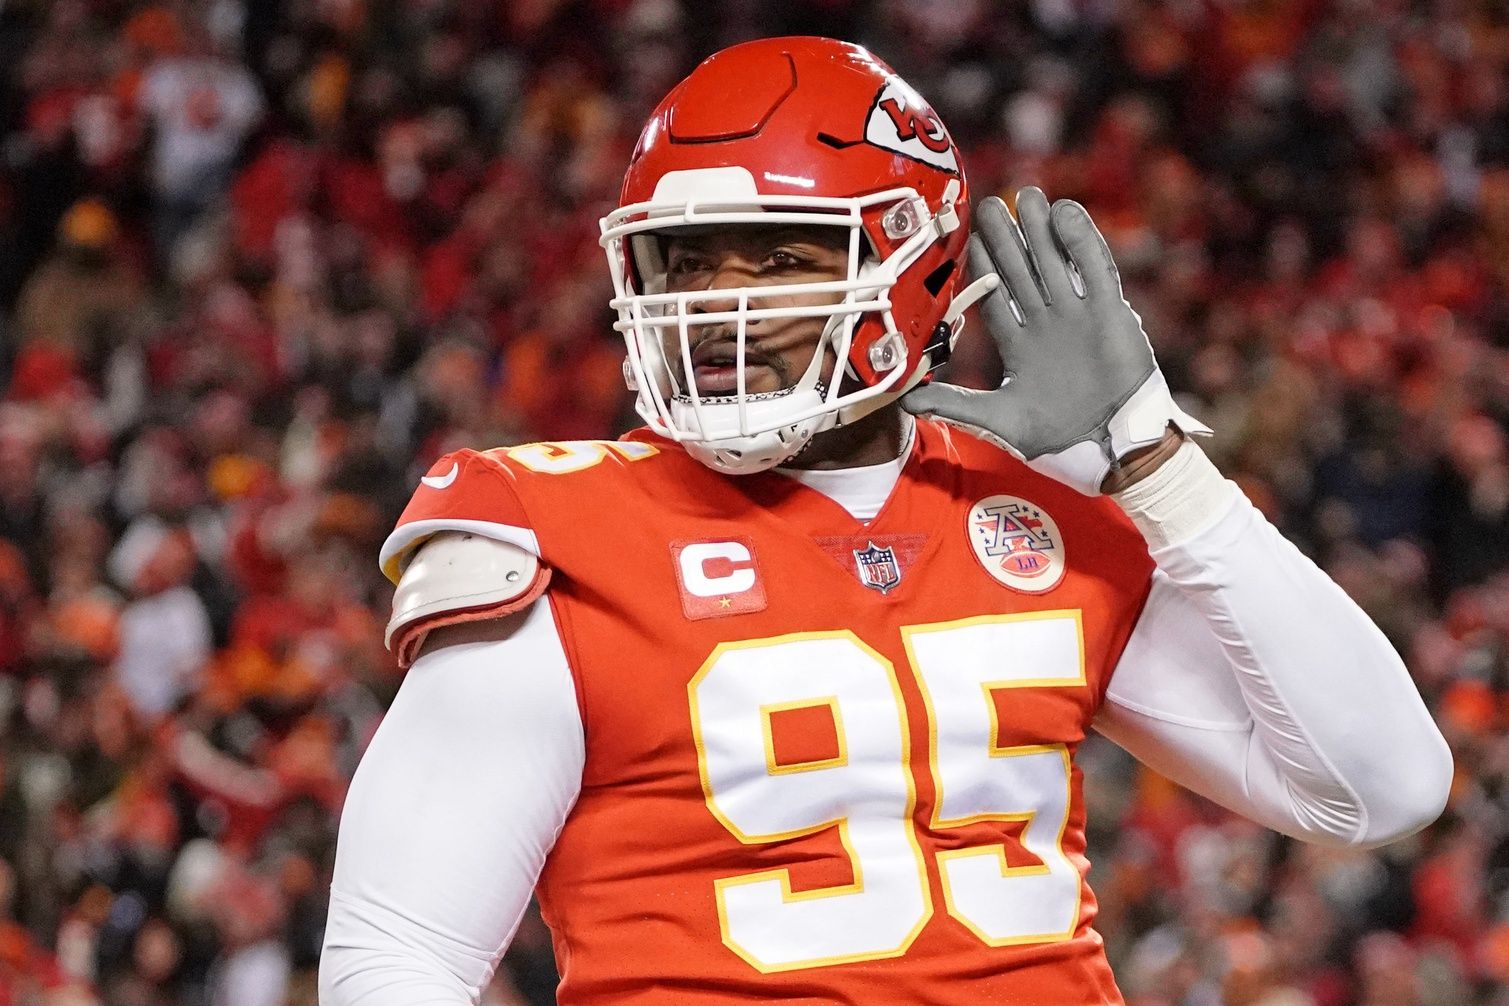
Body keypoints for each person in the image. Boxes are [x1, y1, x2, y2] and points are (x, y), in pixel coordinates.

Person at [318, 37, 1452, 1005]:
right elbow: (397, 954)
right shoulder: (554, 527)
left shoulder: (1041, 509)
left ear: (917, 265)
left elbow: (1377, 788)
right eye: (689, 261)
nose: (723, 301)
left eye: (783, 255)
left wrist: (1156, 462)